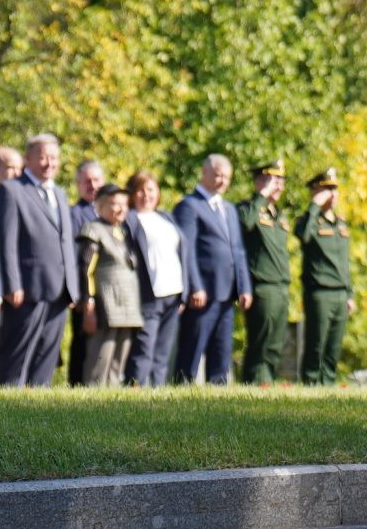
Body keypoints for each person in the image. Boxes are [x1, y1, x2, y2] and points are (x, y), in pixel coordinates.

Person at [0, 133, 79, 387]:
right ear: (28, 158)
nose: (48, 163)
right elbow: (5, 242)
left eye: (53, 158)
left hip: (59, 289)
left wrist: (72, 286)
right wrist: (12, 284)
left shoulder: (60, 193)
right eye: (42, 157)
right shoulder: (11, 190)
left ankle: (38, 405)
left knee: (47, 356)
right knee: (17, 355)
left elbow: (65, 242)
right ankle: (7, 402)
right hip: (28, 288)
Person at [171, 155, 252, 384]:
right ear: (204, 173)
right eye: (217, 174)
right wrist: (195, 286)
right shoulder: (189, 206)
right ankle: (180, 396)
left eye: (227, 177)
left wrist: (244, 287)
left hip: (227, 294)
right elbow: (185, 250)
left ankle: (218, 399)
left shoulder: (229, 209)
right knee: (191, 353)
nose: (222, 180)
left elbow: (238, 251)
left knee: (221, 354)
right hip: (202, 295)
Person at [77, 182, 146, 385]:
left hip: (128, 302)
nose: (121, 209)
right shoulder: (93, 229)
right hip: (105, 303)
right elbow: (86, 269)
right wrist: (89, 302)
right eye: (115, 204)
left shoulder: (124, 231)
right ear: (100, 206)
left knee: (121, 353)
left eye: (124, 204)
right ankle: (94, 392)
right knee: (102, 353)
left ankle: (113, 392)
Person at [123, 170, 186, 384]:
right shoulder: (129, 219)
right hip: (148, 295)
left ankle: (157, 394)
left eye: (150, 189)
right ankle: (136, 392)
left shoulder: (166, 217)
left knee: (162, 352)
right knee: (143, 350)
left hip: (173, 292)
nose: (145, 195)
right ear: (132, 194)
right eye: (139, 190)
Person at [295, 168, 353, 385]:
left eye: (335, 188)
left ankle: (327, 384)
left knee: (333, 346)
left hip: (340, 292)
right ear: (315, 191)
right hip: (320, 292)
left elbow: (344, 262)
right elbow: (302, 235)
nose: (333, 193)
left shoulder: (341, 223)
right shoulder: (309, 220)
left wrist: (349, 293)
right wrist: (314, 206)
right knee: (316, 344)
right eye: (327, 188)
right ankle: (310, 384)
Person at [238, 161, 292, 383]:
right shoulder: (248, 208)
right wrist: (261, 196)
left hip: (280, 286)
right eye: (273, 181)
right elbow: (245, 223)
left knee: (275, 343)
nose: (278, 187)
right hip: (262, 286)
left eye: (281, 182)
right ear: (259, 182)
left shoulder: (279, 216)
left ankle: (266, 382)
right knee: (260, 342)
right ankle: (254, 383)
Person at [65, 159, 105, 385]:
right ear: (78, 184)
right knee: (82, 343)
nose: (92, 185)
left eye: (97, 180)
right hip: (84, 291)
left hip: (107, 291)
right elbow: (71, 255)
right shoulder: (73, 214)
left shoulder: (112, 214)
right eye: (87, 181)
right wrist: (77, 293)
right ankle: (77, 385)